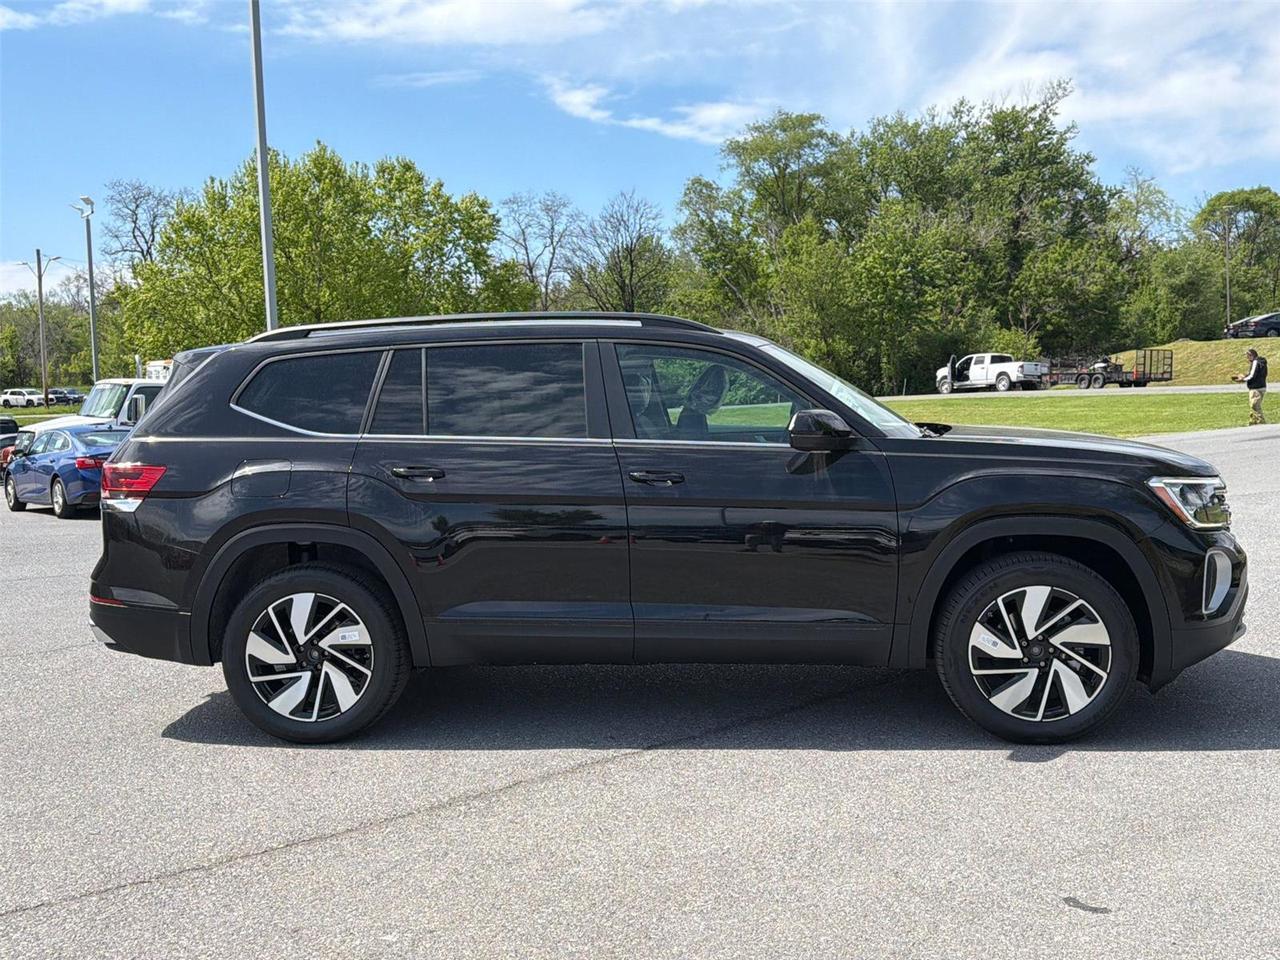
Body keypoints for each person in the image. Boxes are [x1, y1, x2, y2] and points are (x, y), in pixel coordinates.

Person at [1230, 348, 1267, 424]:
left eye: (1248, 356)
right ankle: (1253, 420)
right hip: (1262, 386)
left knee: (1255, 405)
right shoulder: (1261, 363)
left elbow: (1252, 375)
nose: (1247, 359)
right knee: (1254, 405)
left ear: (1251, 355)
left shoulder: (1255, 362)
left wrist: (1242, 380)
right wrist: (1245, 376)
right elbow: (1256, 374)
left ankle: (1260, 421)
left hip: (1255, 388)